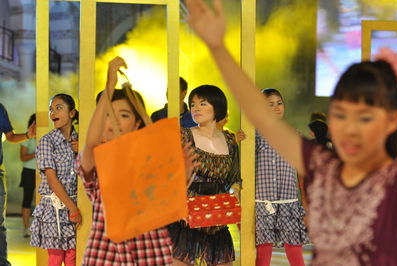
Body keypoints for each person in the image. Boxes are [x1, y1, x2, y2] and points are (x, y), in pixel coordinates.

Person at [186, 0, 397, 264]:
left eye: (365, 117)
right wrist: (217, 47)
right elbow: (260, 114)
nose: (349, 128)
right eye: (340, 115)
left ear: (391, 121)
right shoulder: (326, 165)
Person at [77, 56, 198, 265]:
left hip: (149, 251)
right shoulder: (97, 162)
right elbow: (90, 142)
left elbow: (165, 200)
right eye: (107, 114)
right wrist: (109, 85)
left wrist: (182, 174)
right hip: (105, 255)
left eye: (123, 115)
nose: (113, 121)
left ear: (137, 123)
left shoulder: (149, 162)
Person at [168, 84, 242, 266]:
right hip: (186, 218)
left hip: (217, 218)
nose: (196, 108)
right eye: (193, 104)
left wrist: (235, 189)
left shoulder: (230, 141)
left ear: (217, 107)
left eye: (202, 103)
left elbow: (234, 176)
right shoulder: (183, 136)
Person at [255, 88, 308, 266]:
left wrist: (305, 201)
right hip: (263, 200)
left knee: (294, 246)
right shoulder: (254, 135)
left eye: (279, 103)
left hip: (288, 199)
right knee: (264, 249)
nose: (276, 107)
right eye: (270, 104)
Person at [30, 94, 80, 266]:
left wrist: (82, 150)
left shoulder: (80, 140)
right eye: (51, 109)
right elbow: (51, 179)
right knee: (56, 258)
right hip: (55, 209)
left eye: (59, 108)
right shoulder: (46, 142)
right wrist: (72, 208)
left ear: (72, 113)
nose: (53, 113)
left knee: (74, 257)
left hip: (78, 206)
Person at [0, 103, 35, 266]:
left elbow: (10, 136)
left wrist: (28, 135)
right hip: (26, 172)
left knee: (0, 223)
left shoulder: (0, 109)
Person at [19, 113, 37, 238]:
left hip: (43, 171)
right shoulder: (27, 137)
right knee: (27, 200)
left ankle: (39, 227)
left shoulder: (47, 136)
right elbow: (23, 157)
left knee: (42, 201)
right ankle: (26, 228)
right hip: (29, 171)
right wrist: (36, 154)